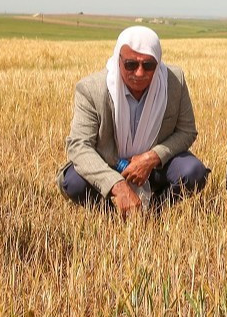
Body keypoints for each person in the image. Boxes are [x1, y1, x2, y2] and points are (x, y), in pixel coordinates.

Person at [59, 27, 209, 215]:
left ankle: (155, 213)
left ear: (158, 62)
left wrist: (152, 158)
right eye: (131, 64)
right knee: (74, 182)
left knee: (193, 171)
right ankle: (111, 218)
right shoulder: (91, 89)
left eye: (148, 65)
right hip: (109, 165)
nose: (139, 73)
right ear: (118, 60)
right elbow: (79, 146)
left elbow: (187, 131)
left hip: (154, 167)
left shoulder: (173, 82)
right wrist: (117, 184)